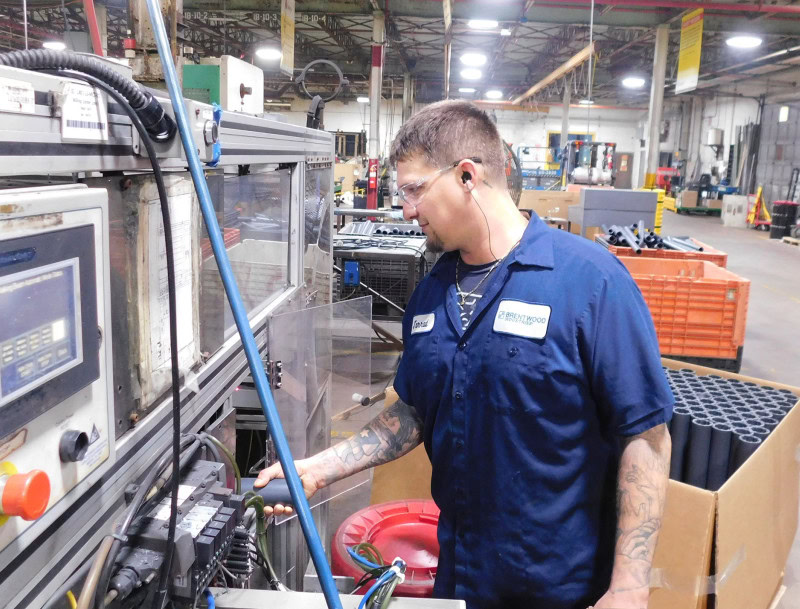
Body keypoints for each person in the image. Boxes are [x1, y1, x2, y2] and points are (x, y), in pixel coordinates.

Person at [255, 100, 673, 609]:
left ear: (468, 176)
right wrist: (316, 468)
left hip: (561, 588)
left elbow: (646, 435)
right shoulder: (432, 292)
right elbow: (414, 413)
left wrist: (629, 585)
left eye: (414, 189)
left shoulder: (590, 283)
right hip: (462, 580)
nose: (407, 210)